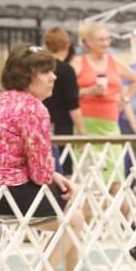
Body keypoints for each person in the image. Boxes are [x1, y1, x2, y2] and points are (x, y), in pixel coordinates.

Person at [0, 43, 96, 271]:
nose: (54, 77)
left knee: (68, 204)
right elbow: (39, 172)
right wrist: (54, 177)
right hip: (6, 196)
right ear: (27, 76)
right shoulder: (33, 108)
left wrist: (55, 176)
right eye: (45, 72)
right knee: (73, 217)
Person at [71, 22, 136, 194]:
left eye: (107, 39)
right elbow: (67, 93)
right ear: (87, 42)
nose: (105, 43)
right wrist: (88, 91)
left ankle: (116, 218)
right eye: (100, 40)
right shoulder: (78, 63)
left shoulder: (114, 63)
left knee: (116, 175)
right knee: (87, 177)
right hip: (85, 124)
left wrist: (123, 100)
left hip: (111, 124)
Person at [43, 27, 85, 176]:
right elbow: (73, 103)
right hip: (62, 126)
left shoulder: (41, 67)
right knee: (63, 167)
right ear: (68, 45)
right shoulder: (67, 70)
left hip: (42, 122)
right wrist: (81, 131)